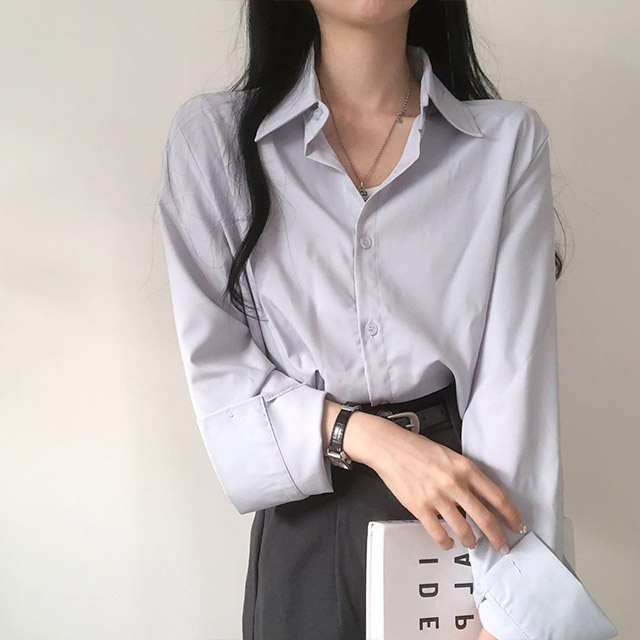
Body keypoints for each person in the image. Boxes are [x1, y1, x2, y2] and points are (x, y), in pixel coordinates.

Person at [156, 1, 619, 639]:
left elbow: (516, 387)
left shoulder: (505, 144)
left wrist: (512, 610)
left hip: (466, 513)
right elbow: (220, 374)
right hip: (308, 522)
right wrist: (372, 439)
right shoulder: (215, 141)